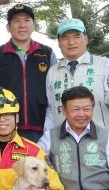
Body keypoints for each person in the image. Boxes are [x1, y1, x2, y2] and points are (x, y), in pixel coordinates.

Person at [0, 4, 57, 142]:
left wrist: (53, 125)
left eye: (27, 20)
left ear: (33, 25)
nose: (22, 25)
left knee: (41, 164)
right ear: (8, 27)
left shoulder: (47, 53)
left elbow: (55, 92)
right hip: (5, 128)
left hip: (43, 128)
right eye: (16, 21)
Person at [40, 18, 109, 150]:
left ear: (86, 39)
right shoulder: (53, 71)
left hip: (100, 143)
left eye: (77, 36)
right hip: (63, 145)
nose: (71, 42)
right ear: (59, 43)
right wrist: (47, 141)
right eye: (65, 38)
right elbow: (50, 109)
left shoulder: (104, 65)